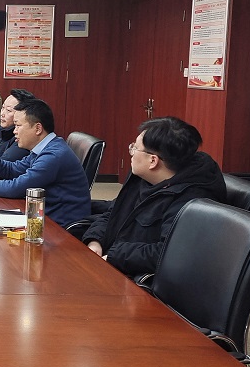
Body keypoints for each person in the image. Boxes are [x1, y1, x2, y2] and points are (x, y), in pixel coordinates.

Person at [80, 116, 227, 278]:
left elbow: (168, 253)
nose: (131, 152)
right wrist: (95, 241)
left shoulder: (191, 201)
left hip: (136, 279)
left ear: (153, 161)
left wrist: (114, 256)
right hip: (113, 264)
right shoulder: (141, 177)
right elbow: (115, 212)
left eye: (135, 148)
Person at [0, 99, 90, 226]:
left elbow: (17, 188)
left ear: (38, 128)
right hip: (41, 216)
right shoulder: (44, 148)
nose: (14, 131)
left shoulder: (53, 155)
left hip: (60, 228)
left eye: (18, 125)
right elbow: (12, 170)